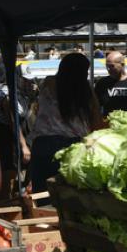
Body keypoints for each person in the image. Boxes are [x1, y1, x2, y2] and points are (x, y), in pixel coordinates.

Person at [29, 55, 103, 191]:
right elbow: (97, 123)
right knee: (68, 196)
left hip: (42, 144)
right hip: (72, 147)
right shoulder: (86, 91)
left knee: (42, 196)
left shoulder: (48, 82)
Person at [0, 63, 31, 196]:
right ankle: (7, 207)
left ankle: (3, 205)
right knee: (8, 177)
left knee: (3, 178)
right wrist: (23, 146)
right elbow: (12, 120)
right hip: (7, 140)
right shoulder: (3, 92)